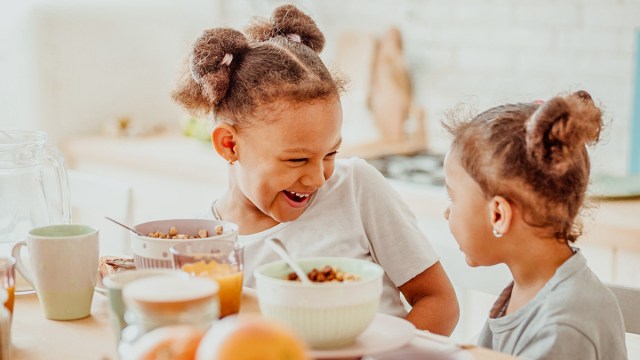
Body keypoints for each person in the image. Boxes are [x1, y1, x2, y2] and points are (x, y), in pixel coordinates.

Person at [171, 4, 459, 334]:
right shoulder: (206, 247)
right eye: (296, 160)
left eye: (330, 153)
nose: (318, 177)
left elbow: (439, 302)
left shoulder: (356, 188)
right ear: (229, 145)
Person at [442, 90, 627, 359]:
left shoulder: (563, 327)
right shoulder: (530, 287)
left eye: (453, 197)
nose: (447, 212)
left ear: (498, 215)